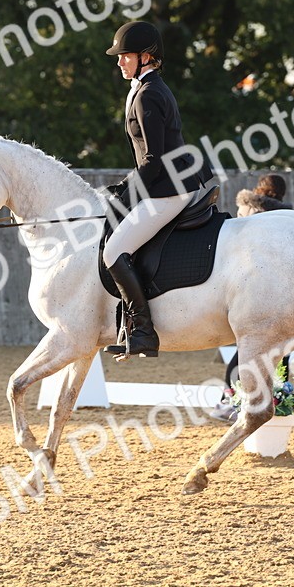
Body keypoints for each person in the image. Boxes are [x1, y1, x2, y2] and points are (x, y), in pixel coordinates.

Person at [102, 20, 210, 360]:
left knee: (112, 253)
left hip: (168, 191)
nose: (119, 61)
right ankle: (127, 326)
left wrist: (126, 193)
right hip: (164, 185)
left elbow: (154, 159)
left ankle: (143, 331)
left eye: (125, 56)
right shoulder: (146, 88)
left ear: (145, 57)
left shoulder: (149, 94)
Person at [210, 173, 293, 422]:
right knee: (281, 350)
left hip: (248, 283)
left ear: (259, 188)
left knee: (245, 347)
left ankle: (229, 398)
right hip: (279, 288)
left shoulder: (244, 208)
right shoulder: (286, 217)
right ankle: (281, 398)